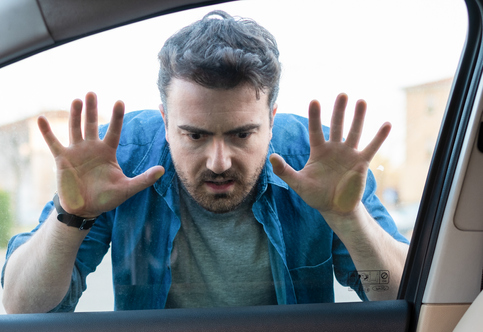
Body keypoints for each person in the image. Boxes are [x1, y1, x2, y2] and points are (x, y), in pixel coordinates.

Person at [2, 10, 408, 314]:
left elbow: (395, 293)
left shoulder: (316, 161)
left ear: (271, 120)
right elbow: (24, 307)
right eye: (195, 135)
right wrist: (71, 216)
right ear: (165, 122)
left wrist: (350, 221)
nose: (218, 162)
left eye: (241, 135)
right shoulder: (117, 160)